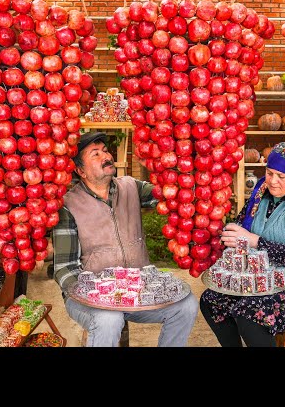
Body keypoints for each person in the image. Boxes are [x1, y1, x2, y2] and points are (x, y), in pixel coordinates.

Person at [51, 131, 199, 347]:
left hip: (136, 288)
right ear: (80, 170)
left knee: (186, 305)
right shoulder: (69, 205)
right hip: (90, 296)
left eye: (105, 151)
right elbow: (64, 268)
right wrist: (93, 295)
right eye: (95, 154)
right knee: (109, 319)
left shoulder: (130, 187)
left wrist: (161, 165)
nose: (106, 157)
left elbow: (171, 192)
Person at [200, 142, 285, 347]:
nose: (273, 181)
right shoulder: (260, 196)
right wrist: (222, 233)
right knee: (211, 300)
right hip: (261, 279)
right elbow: (240, 229)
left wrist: (255, 241)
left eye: (281, 176)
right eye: (269, 173)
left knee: (250, 314)